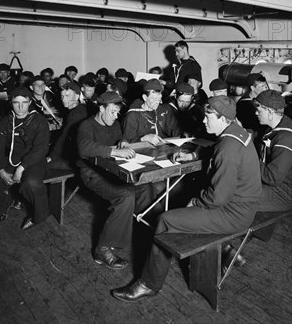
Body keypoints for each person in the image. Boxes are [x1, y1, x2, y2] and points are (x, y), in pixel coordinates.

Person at [111, 96, 262, 302]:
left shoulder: (228, 149)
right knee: (186, 197)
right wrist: (193, 156)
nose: (203, 121)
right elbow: (215, 149)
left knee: (166, 220)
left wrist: (197, 202)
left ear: (223, 119)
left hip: (233, 213)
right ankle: (226, 249)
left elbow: (219, 196)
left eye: (208, 117)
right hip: (242, 205)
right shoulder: (237, 133)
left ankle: (148, 284)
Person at [77, 91, 155, 270]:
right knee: (125, 196)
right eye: (112, 111)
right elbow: (84, 147)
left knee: (144, 186)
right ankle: (102, 249)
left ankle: (136, 231)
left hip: (112, 171)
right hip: (92, 174)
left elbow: (118, 139)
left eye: (117, 112)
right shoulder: (86, 125)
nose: (115, 116)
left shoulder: (115, 123)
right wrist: (114, 151)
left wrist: (123, 143)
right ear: (101, 108)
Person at [0, 86, 50, 230]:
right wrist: (1, 170)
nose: (20, 107)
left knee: (31, 184)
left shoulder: (39, 121)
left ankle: (39, 216)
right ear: (11, 103)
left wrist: (21, 168)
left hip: (34, 161)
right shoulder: (5, 122)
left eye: (24, 103)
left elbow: (41, 149)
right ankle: (5, 203)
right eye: (16, 103)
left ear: (30, 102)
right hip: (11, 161)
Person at [254, 90, 292, 211]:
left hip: (288, 193)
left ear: (270, 112)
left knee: (236, 196)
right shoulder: (282, 125)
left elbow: (272, 177)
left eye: (259, 110)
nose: (256, 113)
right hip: (284, 184)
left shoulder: (285, 139)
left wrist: (249, 160)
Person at [122, 79, 180, 145]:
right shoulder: (133, 115)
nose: (157, 102)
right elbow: (126, 145)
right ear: (145, 97)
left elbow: (176, 131)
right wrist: (143, 139)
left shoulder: (165, 110)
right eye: (153, 99)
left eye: (159, 99)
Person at [47, 82, 88, 169]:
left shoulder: (77, 113)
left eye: (67, 96)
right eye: (62, 96)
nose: (64, 99)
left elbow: (64, 136)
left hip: (78, 159)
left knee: (42, 165)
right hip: (78, 153)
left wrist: (51, 157)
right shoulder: (79, 109)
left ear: (77, 96)